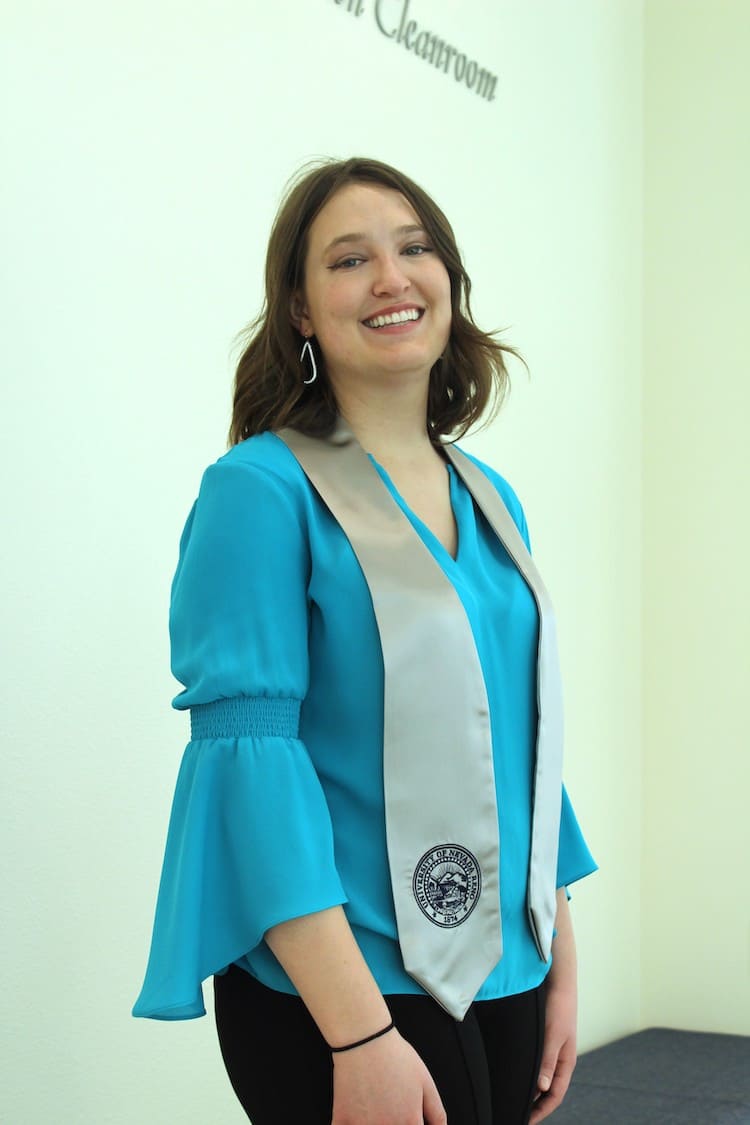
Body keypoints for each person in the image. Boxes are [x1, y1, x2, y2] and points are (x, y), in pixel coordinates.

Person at [133, 156, 597, 1125]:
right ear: (300, 309)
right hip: (344, 989)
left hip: (507, 965)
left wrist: (559, 951)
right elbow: (251, 775)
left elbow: (515, 739)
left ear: (448, 282)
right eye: (349, 261)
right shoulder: (261, 493)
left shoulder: (489, 496)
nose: (391, 277)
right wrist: (357, 1035)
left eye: (414, 248)